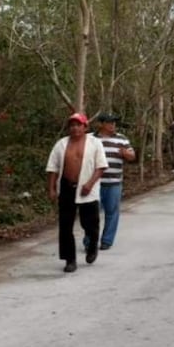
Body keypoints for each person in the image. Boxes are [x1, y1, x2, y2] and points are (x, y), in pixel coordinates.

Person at [46, 113, 108, 273]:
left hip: (88, 188)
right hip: (67, 187)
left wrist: (89, 184)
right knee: (65, 226)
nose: (74, 128)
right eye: (72, 125)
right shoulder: (61, 144)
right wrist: (52, 188)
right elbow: (52, 168)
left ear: (85, 127)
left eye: (78, 125)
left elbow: (101, 166)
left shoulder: (95, 143)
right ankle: (70, 259)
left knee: (90, 223)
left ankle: (93, 245)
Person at [92, 113, 136, 250]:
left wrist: (126, 154)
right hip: (94, 183)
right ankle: (90, 241)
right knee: (92, 214)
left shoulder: (122, 139)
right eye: (109, 122)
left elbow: (132, 156)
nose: (113, 125)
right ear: (101, 124)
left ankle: (107, 241)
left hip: (114, 182)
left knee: (112, 213)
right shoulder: (91, 139)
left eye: (114, 123)